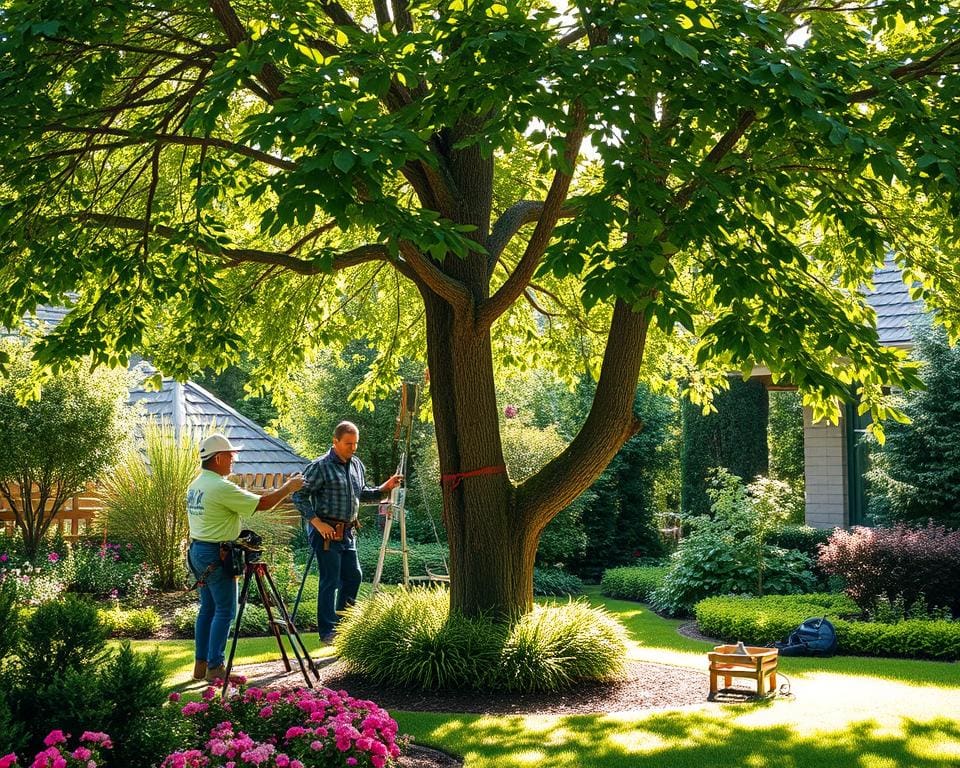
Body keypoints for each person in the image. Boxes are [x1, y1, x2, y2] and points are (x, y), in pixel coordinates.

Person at [186, 433, 304, 683]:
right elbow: (262, 504)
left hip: (198, 549)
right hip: (216, 553)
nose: (233, 460)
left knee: (207, 608)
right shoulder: (220, 486)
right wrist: (288, 488)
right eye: (231, 455)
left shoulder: (196, 484)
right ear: (218, 458)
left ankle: (201, 664)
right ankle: (216, 667)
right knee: (226, 610)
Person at [292, 421, 402, 642]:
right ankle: (327, 631)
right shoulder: (319, 466)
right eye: (348, 443)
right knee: (330, 580)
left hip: (348, 532)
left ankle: (345, 626)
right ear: (335, 441)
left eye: (355, 444)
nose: (352, 448)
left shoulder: (356, 465)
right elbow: (298, 495)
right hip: (326, 532)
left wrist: (385, 488)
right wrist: (316, 523)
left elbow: (362, 494)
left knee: (354, 576)